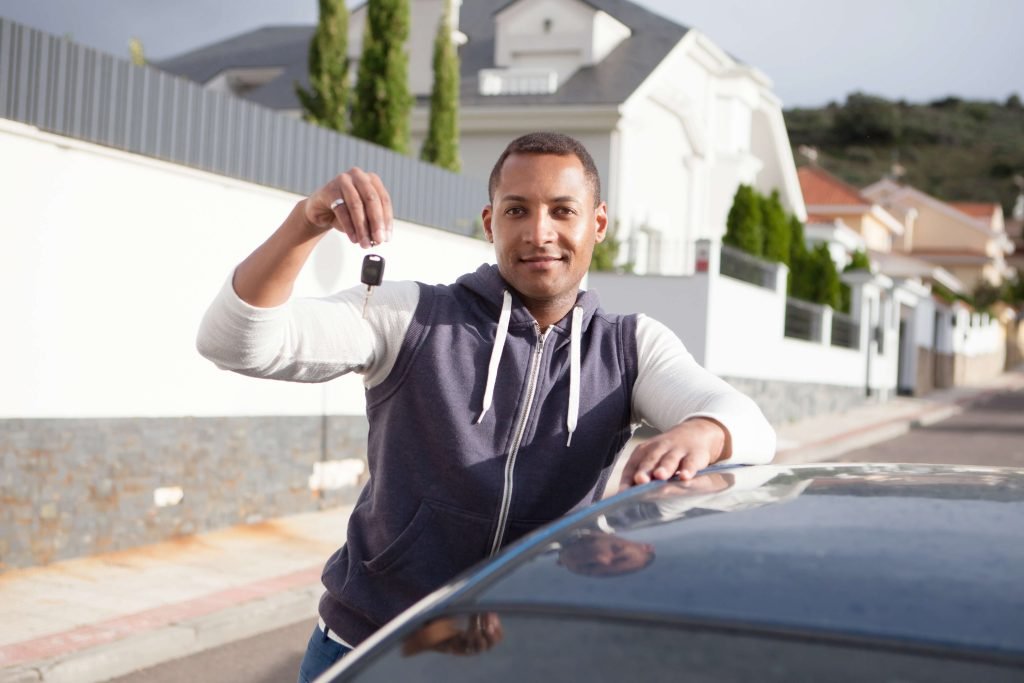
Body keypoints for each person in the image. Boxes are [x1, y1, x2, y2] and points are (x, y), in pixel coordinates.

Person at [196, 132, 776, 682]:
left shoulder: (629, 347)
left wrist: (704, 431)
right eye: (517, 210)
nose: (539, 233)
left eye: (563, 211)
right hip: (371, 646)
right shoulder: (411, 316)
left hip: (523, 659)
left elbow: (748, 424)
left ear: (598, 224)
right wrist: (305, 223)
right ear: (490, 222)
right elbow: (235, 343)